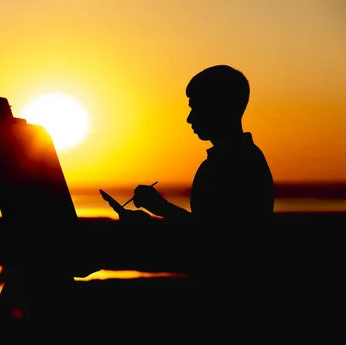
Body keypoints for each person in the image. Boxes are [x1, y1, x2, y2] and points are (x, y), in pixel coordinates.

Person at [118, 65, 275, 285]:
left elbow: (217, 242)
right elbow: (209, 230)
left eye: (196, 107)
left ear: (219, 107)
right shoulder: (239, 157)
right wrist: (159, 210)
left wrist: (153, 221)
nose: (189, 119)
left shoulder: (233, 163)